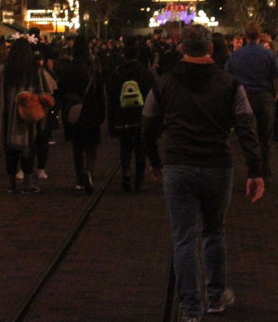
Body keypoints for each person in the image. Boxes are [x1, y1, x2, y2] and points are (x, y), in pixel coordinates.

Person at [142, 24, 264, 321]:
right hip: (216, 164)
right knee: (213, 233)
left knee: (184, 238)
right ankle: (216, 296)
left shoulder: (164, 83)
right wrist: (255, 169)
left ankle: (190, 308)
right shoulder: (230, 84)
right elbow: (247, 126)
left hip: (178, 164)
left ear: (181, 48)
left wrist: (155, 162)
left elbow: (147, 125)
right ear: (211, 49)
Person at [0, 37, 56, 193]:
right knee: (29, 148)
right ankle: (28, 182)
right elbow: (50, 89)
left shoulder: (3, 70)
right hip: (30, 118)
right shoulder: (36, 70)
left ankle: (11, 183)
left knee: (10, 150)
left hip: (8, 116)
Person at [225, 22, 278, 178]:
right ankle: (265, 169)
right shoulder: (269, 55)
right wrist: (273, 96)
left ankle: (252, 170)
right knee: (265, 137)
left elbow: (228, 78)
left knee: (248, 136)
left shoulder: (235, 55)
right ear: (260, 35)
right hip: (264, 96)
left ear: (245, 36)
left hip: (244, 97)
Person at [59, 36, 106, 194]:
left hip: (74, 110)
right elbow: (100, 91)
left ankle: (80, 177)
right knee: (91, 145)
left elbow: (62, 90)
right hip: (91, 109)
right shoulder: (93, 68)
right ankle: (89, 171)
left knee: (77, 147)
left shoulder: (68, 68)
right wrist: (102, 112)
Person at [108, 42, 155, 191]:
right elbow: (151, 94)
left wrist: (112, 120)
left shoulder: (117, 73)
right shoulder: (144, 72)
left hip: (123, 116)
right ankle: (139, 180)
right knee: (140, 149)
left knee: (125, 147)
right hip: (140, 115)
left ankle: (126, 173)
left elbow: (113, 96)